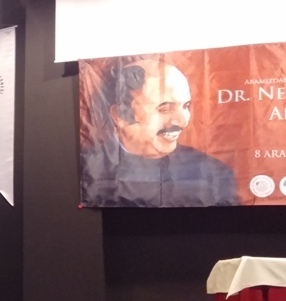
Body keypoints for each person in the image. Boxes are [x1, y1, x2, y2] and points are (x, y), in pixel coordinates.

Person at [80, 59, 239, 207]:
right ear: (120, 115)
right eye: (165, 108)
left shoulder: (214, 174)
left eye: (186, 106)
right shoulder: (88, 170)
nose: (181, 121)